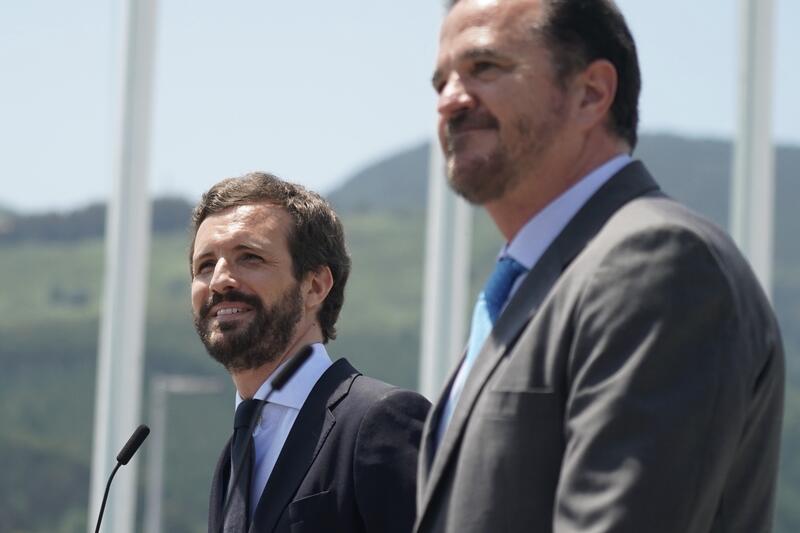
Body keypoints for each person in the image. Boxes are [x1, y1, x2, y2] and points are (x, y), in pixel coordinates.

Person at [415, 1, 785, 532]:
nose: (450, 100)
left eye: (485, 67)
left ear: (591, 93)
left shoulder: (657, 263)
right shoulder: (526, 286)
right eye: (441, 82)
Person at [190, 172, 430, 533]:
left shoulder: (379, 421)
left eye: (249, 257)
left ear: (315, 286)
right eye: (205, 265)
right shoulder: (233, 456)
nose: (220, 280)